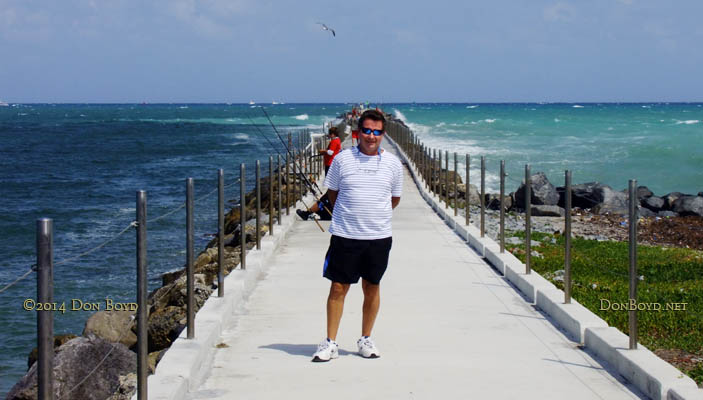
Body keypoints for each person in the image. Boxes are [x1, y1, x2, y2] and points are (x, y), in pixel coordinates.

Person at [311, 109, 403, 362]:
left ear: (383, 134)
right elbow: (333, 194)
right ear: (357, 132)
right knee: (338, 287)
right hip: (345, 235)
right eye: (367, 131)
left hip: (378, 236)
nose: (371, 136)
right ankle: (330, 342)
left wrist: (373, 215)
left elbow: (394, 199)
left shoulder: (393, 164)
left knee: (372, 287)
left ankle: (366, 338)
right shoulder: (342, 160)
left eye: (377, 132)